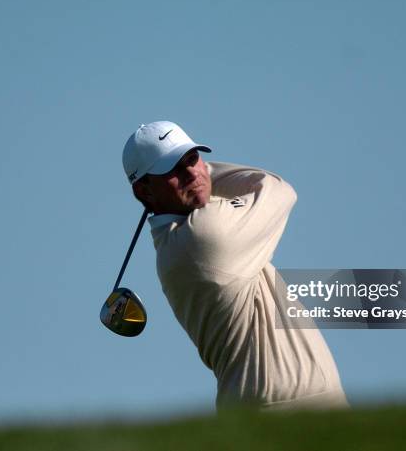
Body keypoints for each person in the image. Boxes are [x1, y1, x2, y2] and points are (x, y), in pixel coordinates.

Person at [122, 121, 348, 410]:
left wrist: (195, 175)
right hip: (281, 411)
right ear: (145, 191)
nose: (192, 172)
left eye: (193, 159)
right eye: (174, 169)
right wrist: (207, 173)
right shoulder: (204, 235)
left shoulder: (178, 241)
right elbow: (277, 187)